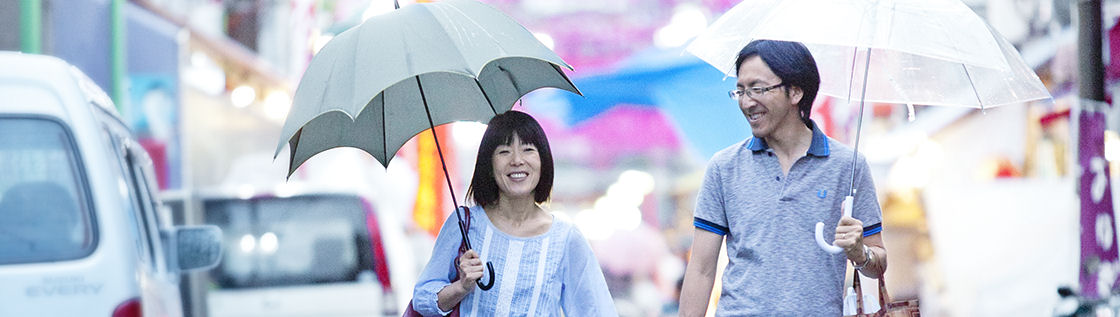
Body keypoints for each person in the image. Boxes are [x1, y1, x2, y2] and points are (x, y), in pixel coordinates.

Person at [679, 40, 887, 316]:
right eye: (740, 91)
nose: (746, 101)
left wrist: (860, 253)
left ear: (795, 92)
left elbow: (879, 262)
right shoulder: (724, 168)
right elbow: (702, 269)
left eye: (757, 89)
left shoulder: (848, 166)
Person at [411, 110, 617, 316]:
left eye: (528, 149)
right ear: (489, 165)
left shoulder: (565, 238)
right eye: (504, 151)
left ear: (543, 161)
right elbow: (422, 298)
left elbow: (595, 310)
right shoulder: (464, 224)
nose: (517, 160)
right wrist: (461, 287)